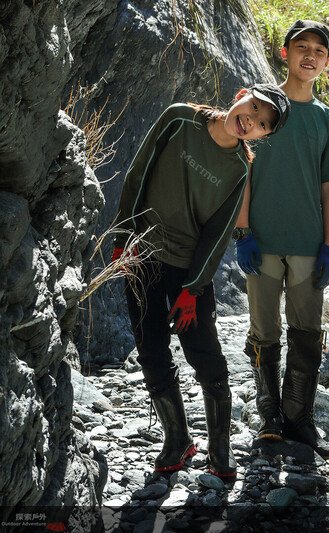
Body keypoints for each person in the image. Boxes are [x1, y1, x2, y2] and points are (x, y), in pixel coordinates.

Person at [112, 84, 290, 482]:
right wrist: (123, 237)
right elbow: (139, 173)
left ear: (263, 136)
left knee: (205, 357)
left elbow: (218, 232)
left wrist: (193, 289)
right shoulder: (179, 118)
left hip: (189, 271)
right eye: (255, 108)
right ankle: (177, 439)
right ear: (242, 94)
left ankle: (219, 447)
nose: (252, 121)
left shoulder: (239, 168)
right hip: (141, 256)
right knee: (150, 349)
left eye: (262, 125)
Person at [233, 20, 329, 458]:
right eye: (301, 47)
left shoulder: (327, 120)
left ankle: (300, 416)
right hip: (261, 239)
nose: (309, 55)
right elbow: (242, 168)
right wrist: (242, 231)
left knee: (308, 332)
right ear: (285, 53)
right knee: (264, 331)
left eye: (318, 49)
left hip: (307, 242)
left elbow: (328, 187)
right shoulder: (259, 104)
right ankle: (269, 416)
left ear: (327, 62)